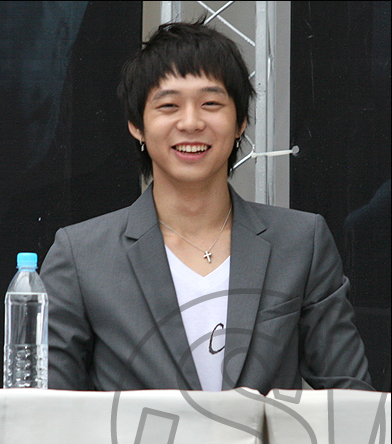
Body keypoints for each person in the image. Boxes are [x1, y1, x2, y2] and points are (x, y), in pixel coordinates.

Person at [40, 19, 373, 392]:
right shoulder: (82, 256)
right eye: (168, 105)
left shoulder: (300, 242)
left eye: (211, 103)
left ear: (240, 121)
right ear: (137, 125)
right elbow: (45, 407)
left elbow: (351, 399)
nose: (191, 122)